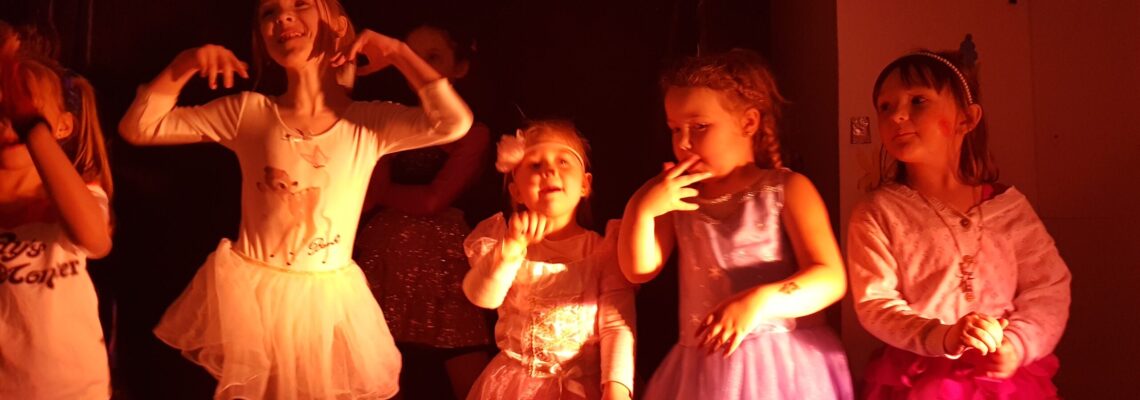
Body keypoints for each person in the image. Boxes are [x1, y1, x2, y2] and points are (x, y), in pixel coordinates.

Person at [117, 0, 473, 397]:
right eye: (269, 12)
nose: (283, 16)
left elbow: (454, 123)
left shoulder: (368, 122)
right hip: (256, 297)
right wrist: (185, 63)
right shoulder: (250, 112)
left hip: (325, 299)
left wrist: (399, 54)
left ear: (337, 26)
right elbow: (139, 127)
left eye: (300, 4)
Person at [619, 49, 852, 399]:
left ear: (748, 123)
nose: (683, 143)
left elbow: (831, 278)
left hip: (781, 368)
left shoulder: (787, 188)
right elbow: (638, 271)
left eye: (699, 127)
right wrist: (641, 209)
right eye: (675, 129)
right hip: (703, 370)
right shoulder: (678, 196)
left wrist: (760, 301)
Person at [847, 50, 1071, 399]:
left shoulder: (1008, 208)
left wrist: (1018, 343)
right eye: (885, 107)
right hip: (919, 382)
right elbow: (875, 302)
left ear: (967, 118)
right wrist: (943, 336)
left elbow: (1048, 287)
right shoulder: (878, 212)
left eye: (918, 100)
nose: (897, 116)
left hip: (1005, 383)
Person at [356, 22, 493, 400]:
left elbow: (433, 199)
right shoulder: (389, 119)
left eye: (433, 57)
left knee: (465, 365)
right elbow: (369, 195)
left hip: (441, 262)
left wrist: (382, 192)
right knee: (376, 368)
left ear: (460, 66)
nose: (420, 66)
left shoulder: (473, 132)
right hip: (385, 257)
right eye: (412, 57)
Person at [462, 120, 635, 399]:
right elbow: (482, 297)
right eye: (535, 165)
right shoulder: (504, 243)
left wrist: (617, 388)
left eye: (563, 161)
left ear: (585, 184)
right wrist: (509, 251)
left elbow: (616, 325)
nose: (550, 171)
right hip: (513, 388)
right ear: (517, 192)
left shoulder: (605, 250)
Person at [0, 54, 114, 399]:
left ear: (63, 127)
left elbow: (95, 241)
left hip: (71, 390)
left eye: (24, 110)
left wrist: (34, 130)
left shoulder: (77, 196)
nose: (9, 120)